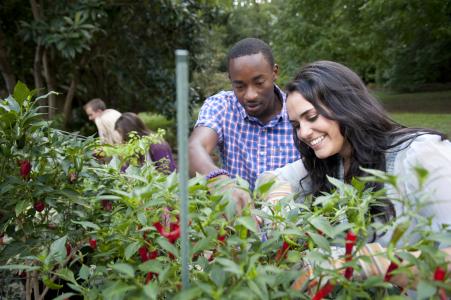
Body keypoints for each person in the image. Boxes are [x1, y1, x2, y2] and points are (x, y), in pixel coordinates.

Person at [257, 61, 451, 288]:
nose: (304, 133)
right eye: (296, 125)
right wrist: (279, 212)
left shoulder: (421, 153)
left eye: (311, 117)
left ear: (343, 105)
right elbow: (271, 179)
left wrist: (369, 263)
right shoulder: (333, 161)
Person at [189, 37, 300, 207]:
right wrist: (221, 183)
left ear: (274, 73)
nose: (250, 95)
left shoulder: (299, 113)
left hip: (288, 228)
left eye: (259, 83)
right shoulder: (222, 106)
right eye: (240, 86)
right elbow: (195, 147)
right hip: (237, 227)